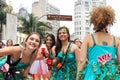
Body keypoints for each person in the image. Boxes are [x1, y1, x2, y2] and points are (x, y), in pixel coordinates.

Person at [78, 6, 120, 80]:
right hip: (111, 74)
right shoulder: (116, 40)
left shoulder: (88, 38)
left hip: (92, 74)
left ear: (93, 21)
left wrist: (78, 77)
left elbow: (82, 61)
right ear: (109, 21)